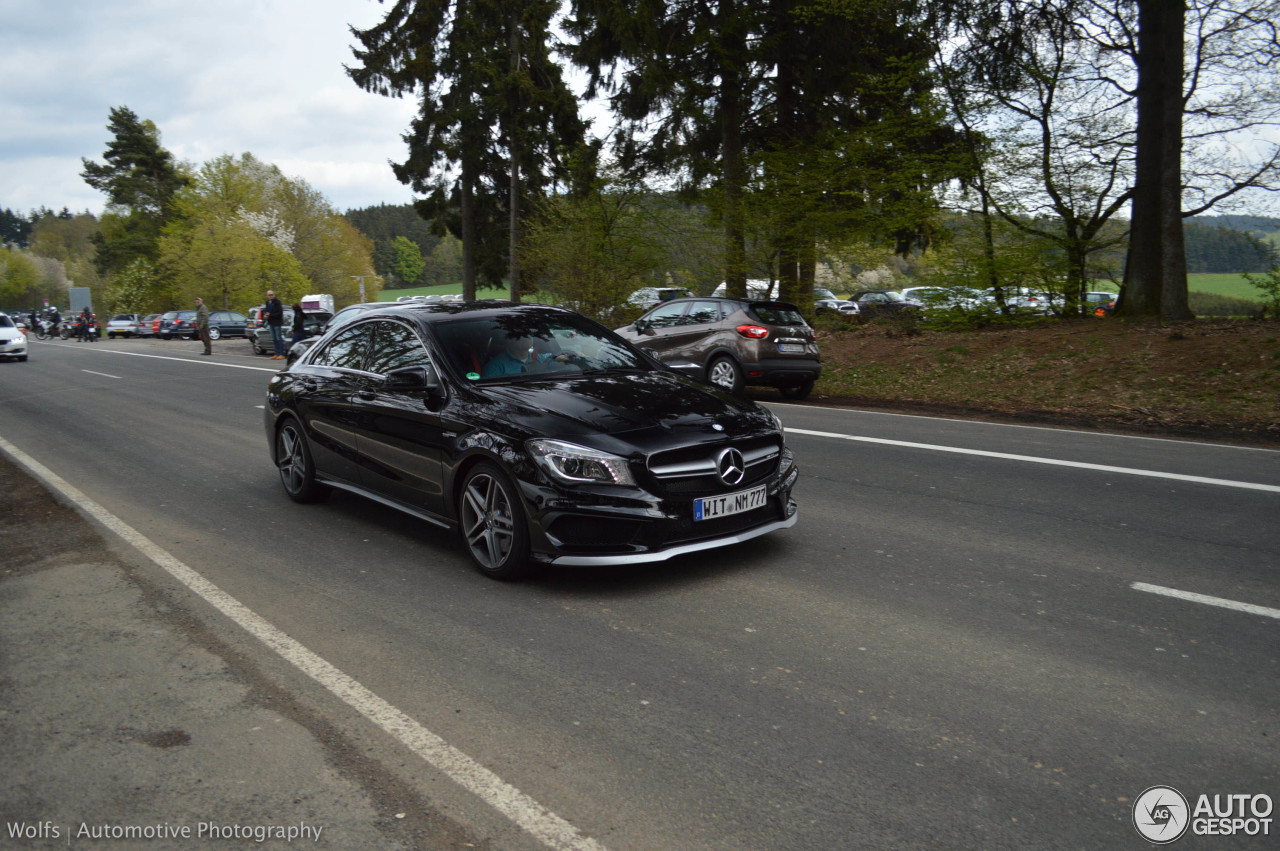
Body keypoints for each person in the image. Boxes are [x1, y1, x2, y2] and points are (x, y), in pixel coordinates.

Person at [264, 289, 286, 359]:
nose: (271, 296)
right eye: (269, 295)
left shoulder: (277, 302)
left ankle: (281, 353)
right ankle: (276, 353)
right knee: (274, 339)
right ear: (267, 296)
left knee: (278, 338)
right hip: (271, 322)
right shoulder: (267, 302)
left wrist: (270, 315)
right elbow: (266, 310)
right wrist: (265, 315)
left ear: (274, 295)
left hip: (277, 322)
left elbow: (279, 313)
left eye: (272, 295)